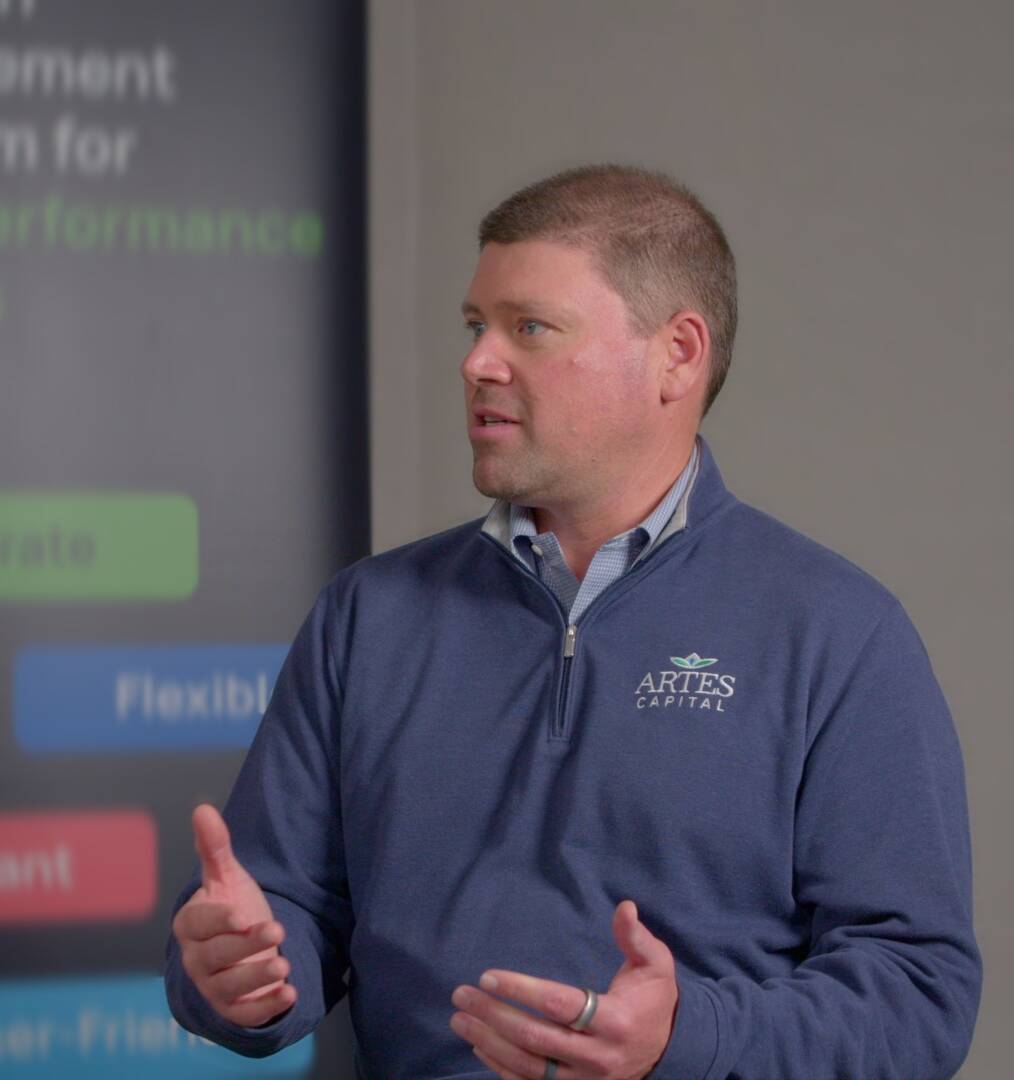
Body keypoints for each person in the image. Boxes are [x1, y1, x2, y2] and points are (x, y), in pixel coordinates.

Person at [164, 165, 982, 1079]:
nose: (478, 361)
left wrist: (685, 1038)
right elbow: (288, 920)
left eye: (531, 329)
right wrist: (237, 978)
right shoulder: (368, 615)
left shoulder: (837, 633)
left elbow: (918, 996)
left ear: (677, 354)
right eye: (476, 326)